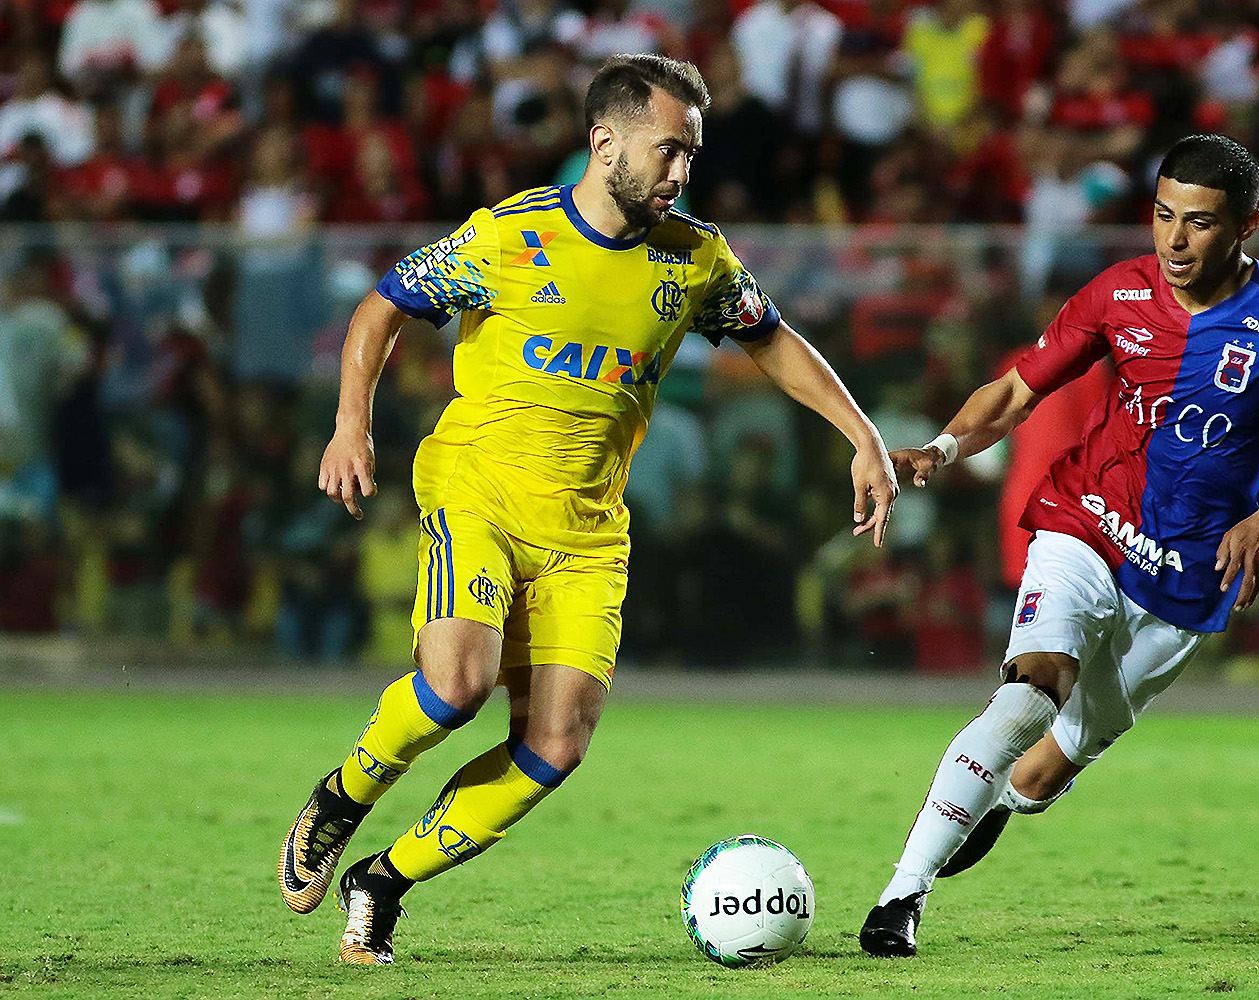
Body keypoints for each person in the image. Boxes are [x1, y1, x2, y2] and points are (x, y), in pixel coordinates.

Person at [278, 53, 898, 964]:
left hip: (589, 532)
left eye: (691, 154)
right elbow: (381, 308)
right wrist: (350, 426)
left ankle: (384, 881)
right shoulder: (508, 236)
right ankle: (343, 795)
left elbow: (773, 341)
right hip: (477, 490)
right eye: (667, 151)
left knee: (555, 746)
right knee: (456, 687)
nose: (682, 173)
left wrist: (864, 437)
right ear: (604, 143)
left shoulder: (694, 258)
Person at [859, 134, 1259, 958]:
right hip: (1088, 523)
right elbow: (1012, 392)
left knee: (1038, 775)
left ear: (1248, 225)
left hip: (1188, 578)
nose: (1174, 241)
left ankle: (997, 799)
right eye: (1163, 215)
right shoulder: (1119, 293)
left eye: (1200, 224)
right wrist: (943, 448)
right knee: (1027, 694)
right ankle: (899, 900)